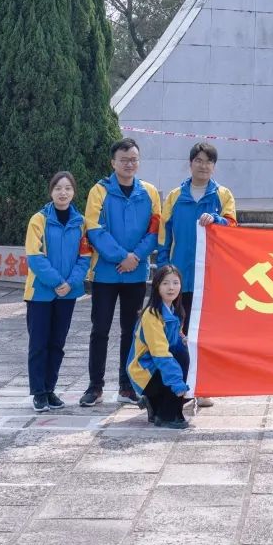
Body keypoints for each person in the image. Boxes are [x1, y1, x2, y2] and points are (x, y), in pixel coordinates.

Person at [80, 137, 161, 408]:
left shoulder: (149, 192)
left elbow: (154, 229)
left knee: (131, 330)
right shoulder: (99, 191)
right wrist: (120, 256)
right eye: (124, 160)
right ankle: (95, 386)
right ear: (113, 162)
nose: (129, 164)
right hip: (105, 274)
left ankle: (127, 386)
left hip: (135, 274)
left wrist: (135, 257)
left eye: (134, 159)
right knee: (99, 329)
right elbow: (94, 229)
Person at [157, 141, 237, 409]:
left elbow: (233, 227)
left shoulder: (223, 195)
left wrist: (217, 221)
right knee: (177, 333)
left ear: (214, 166)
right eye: (199, 161)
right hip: (177, 279)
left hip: (209, 278)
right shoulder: (174, 196)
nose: (204, 166)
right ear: (190, 163)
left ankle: (203, 387)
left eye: (209, 162)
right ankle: (179, 385)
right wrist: (163, 269)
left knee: (204, 334)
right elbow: (164, 236)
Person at [23, 171, 91, 413]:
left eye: (68, 188)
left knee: (57, 343)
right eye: (58, 188)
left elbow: (85, 257)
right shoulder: (38, 220)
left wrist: (70, 283)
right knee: (39, 343)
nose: (63, 193)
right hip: (41, 293)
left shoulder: (81, 222)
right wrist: (56, 282)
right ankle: (39, 392)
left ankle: (50, 389)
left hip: (68, 294)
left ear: (74, 192)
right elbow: (35, 257)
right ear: (51, 192)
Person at [127, 264, 192, 430]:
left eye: (175, 283)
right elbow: (160, 354)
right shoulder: (152, 315)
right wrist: (178, 384)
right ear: (157, 287)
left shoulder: (175, 310)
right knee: (180, 357)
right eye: (165, 283)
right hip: (145, 371)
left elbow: (177, 336)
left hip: (157, 367)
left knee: (186, 351)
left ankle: (153, 403)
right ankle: (166, 416)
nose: (171, 288)